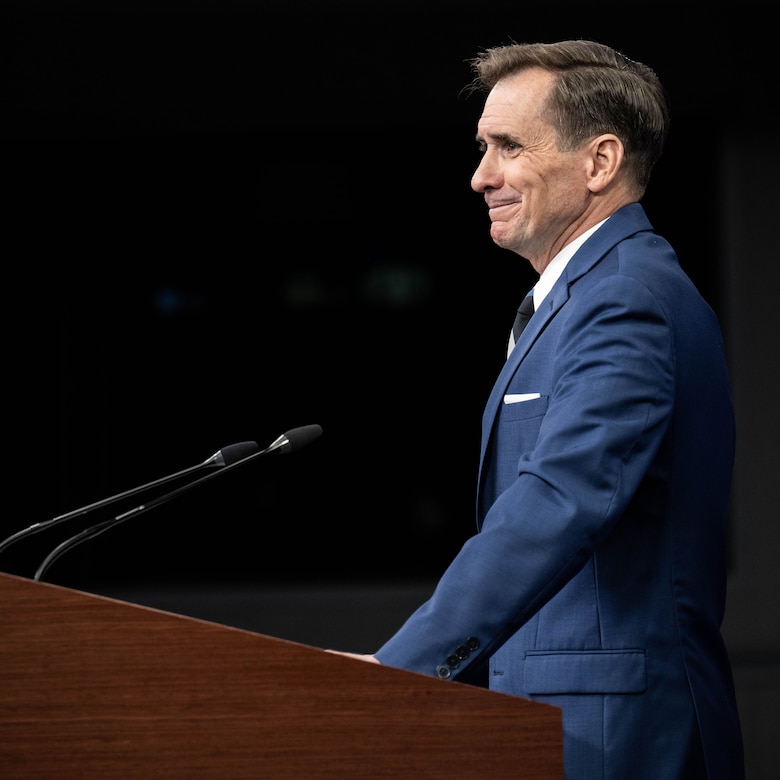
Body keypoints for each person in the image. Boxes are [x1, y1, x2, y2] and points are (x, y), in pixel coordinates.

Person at [330, 39, 744, 779]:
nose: (479, 175)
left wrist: (409, 664)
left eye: (508, 146)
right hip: (565, 719)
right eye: (482, 146)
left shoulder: (626, 299)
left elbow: (563, 496)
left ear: (599, 162)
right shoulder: (591, 295)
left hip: (619, 729)